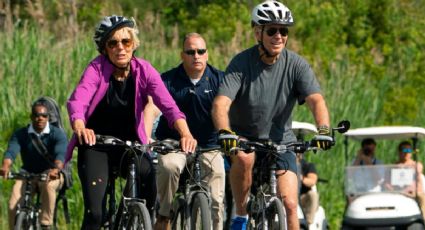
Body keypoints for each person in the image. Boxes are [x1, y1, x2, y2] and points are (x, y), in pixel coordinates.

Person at [66, 15, 197, 229]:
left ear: (133, 44)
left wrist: (185, 134)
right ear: (104, 48)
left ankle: (131, 217)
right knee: (96, 213)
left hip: (130, 145)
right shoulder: (96, 69)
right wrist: (80, 126)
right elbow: (78, 100)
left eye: (126, 42)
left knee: (148, 177)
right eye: (113, 43)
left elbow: (169, 106)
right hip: (96, 144)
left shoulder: (143, 70)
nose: (120, 48)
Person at [211, 1, 332, 230]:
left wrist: (323, 130)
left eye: (283, 31)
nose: (279, 36)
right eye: (272, 30)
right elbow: (221, 103)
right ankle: (241, 214)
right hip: (245, 138)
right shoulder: (241, 63)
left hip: (281, 141)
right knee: (244, 157)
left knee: (290, 204)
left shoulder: (296, 65)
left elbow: (316, 100)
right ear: (258, 32)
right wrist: (225, 132)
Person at [147, 32, 225, 230]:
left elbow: (230, 110)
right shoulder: (168, 80)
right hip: (174, 145)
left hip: (210, 146)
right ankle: (164, 214)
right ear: (182, 55)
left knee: (217, 197)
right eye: (190, 52)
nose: (196, 56)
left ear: (207, 54)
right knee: (169, 167)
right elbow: (151, 108)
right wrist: (146, 137)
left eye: (201, 51)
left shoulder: (220, 80)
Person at [0, 101, 67, 230]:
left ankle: (45, 224)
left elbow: (60, 154)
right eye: (36, 115)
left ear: (48, 117)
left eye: (44, 115)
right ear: (31, 117)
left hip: (50, 173)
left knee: (49, 186)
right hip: (28, 173)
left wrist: (56, 169)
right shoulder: (21, 134)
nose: (40, 118)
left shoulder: (57, 134)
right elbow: (11, 151)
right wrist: (5, 166)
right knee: (12, 205)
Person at [395, 141, 425, 219]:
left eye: (409, 151)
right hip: (399, 192)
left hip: (414, 193)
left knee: (421, 197)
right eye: (404, 150)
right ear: (399, 152)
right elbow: (388, 183)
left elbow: (418, 171)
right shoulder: (394, 166)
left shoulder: (416, 165)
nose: (406, 153)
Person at [297, 154, 319, 225]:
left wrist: (300, 178)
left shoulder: (308, 165)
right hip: (288, 195)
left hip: (302, 197)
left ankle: (308, 223)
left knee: (313, 195)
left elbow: (312, 181)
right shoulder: (285, 165)